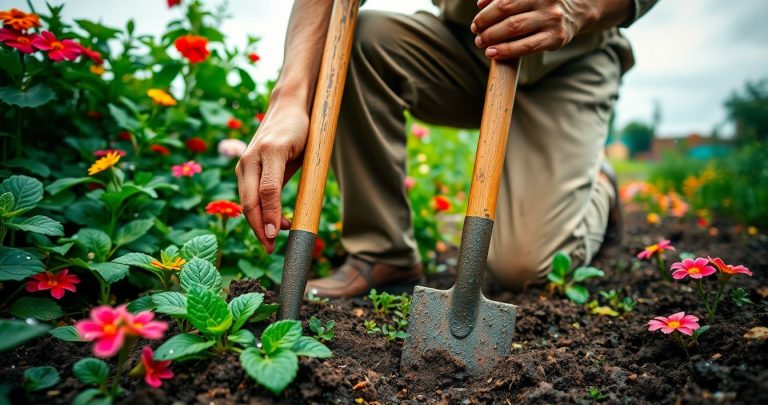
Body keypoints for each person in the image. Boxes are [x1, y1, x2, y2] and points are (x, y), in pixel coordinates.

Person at [236, 0, 658, 298]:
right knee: (362, 39)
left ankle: (599, 183)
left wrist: (580, 5)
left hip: (569, 57)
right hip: (467, 46)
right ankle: (383, 254)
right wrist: (289, 98)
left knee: (525, 269)